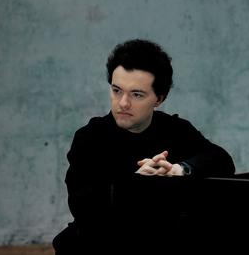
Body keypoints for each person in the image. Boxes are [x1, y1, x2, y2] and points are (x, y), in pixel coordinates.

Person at [53, 39, 235, 254]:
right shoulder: (90, 137)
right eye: (116, 90)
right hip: (104, 243)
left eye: (137, 94)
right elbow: (85, 209)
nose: (123, 103)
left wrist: (180, 169)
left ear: (159, 99)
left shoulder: (176, 129)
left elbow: (222, 160)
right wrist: (136, 183)